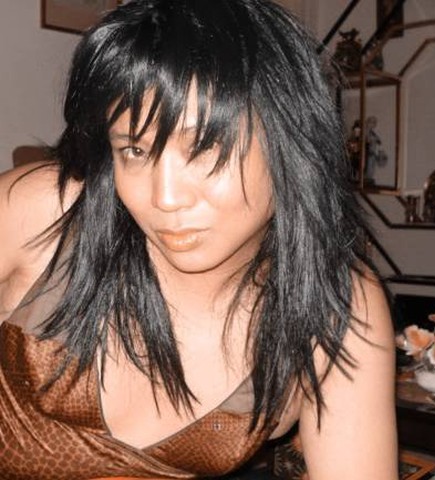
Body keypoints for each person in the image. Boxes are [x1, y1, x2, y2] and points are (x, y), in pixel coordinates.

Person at [0, 1, 397, 479]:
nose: (164, 197)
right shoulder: (41, 212)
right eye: (135, 150)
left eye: (204, 147)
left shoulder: (337, 306)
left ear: (288, 139)